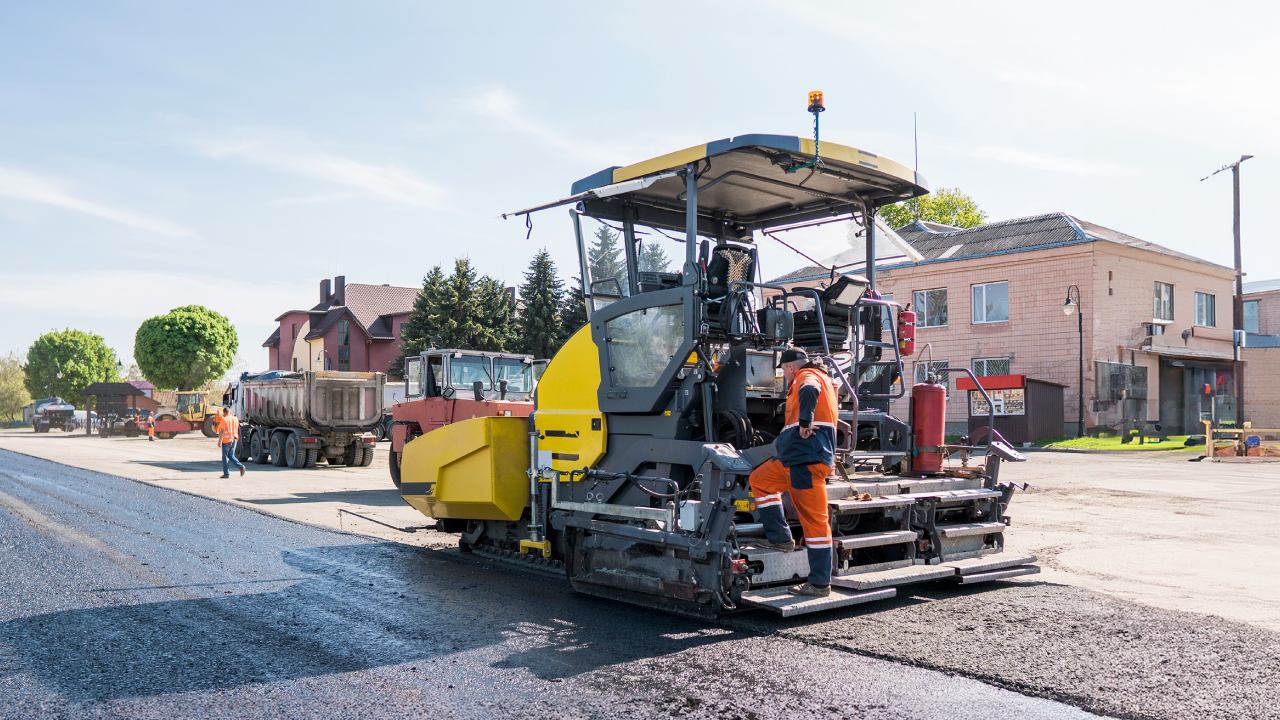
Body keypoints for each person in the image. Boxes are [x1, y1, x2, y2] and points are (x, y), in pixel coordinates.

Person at [748, 348, 838, 597]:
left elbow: (809, 390)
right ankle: (780, 538)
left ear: (790, 368)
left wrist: (806, 423)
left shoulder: (805, 376)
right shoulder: (822, 377)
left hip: (805, 461)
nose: (786, 377)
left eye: (785, 371)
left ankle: (819, 583)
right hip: (793, 460)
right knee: (759, 480)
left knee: (815, 521)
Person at [213, 407, 245, 478]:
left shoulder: (224, 419)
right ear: (229, 412)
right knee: (231, 456)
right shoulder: (235, 418)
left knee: (224, 457)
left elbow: (222, 431)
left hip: (227, 440)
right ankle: (241, 467)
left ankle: (226, 474)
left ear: (224, 412)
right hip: (234, 439)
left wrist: (219, 441)